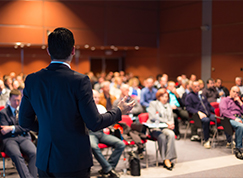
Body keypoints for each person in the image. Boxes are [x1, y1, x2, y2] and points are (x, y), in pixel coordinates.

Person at [18, 27, 135, 178]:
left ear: (48, 51)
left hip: (44, 160)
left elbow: (24, 121)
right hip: (73, 160)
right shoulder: (79, 81)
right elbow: (94, 123)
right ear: (73, 50)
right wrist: (118, 111)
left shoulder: (33, 80)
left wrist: (49, 127)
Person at [0, 89, 37, 178]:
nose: (16, 103)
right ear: (9, 99)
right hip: (9, 140)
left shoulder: (24, 112)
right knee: (16, 155)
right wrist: (20, 128)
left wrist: (12, 128)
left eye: (18, 100)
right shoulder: (3, 113)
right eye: (14, 100)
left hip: (24, 138)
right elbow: (4, 131)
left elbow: (27, 128)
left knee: (34, 153)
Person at [90, 90, 125, 178]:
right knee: (93, 146)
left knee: (121, 144)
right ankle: (108, 169)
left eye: (97, 97)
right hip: (91, 133)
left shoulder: (101, 107)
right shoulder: (87, 108)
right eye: (94, 97)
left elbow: (107, 121)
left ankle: (108, 168)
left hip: (101, 133)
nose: (96, 99)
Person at [147, 88, 177, 170]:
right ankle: (164, 159)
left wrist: (171, 124)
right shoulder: (153, 104)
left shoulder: (169, 106)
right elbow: (153, 117)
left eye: (166, 97)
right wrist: (167, 122)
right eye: (163, 97)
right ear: (159, 97)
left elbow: (171, 118)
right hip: (155, 128)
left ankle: (168, 158)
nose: (165, 99)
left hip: (165, 127)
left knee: (171, 134)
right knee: (162, 137)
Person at [185, 81, 216, 149]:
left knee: (220, 118)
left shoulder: (202, 96)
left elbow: (209, 106)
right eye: (195, 86)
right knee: (206, 120)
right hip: (197, 116)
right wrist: (198, 112)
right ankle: (206, 140)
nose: (197, 88)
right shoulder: (189, 96)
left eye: (198, 86)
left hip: (208, 114)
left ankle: (228, 141)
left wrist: (216, 111)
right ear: (192, 87)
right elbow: (188, 108)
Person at [219, 86, 243, 159]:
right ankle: (238, 148)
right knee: (240, 126)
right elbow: (224, 112)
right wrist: (234, 118)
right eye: (234, 91)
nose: (235, 94)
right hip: (229, 119)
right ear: (230, 91)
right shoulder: (225, 100)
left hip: (239, 118)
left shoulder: (237, 101)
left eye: (237, 92)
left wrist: (240, 102)